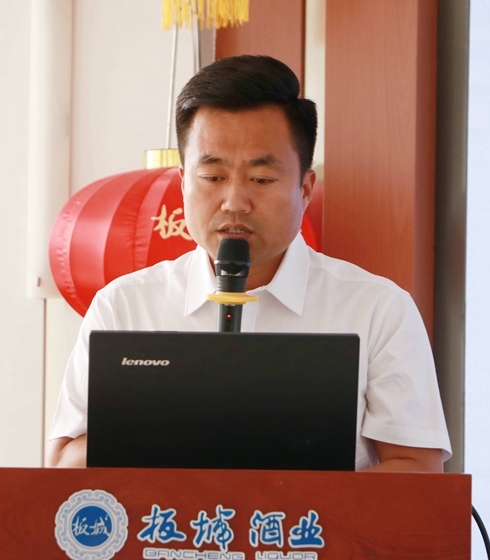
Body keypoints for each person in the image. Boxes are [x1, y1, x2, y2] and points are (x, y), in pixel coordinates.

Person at [47, 55, 451, 471]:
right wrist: (178, 426)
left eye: (261, 179)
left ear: (305, 188)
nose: (235, 202)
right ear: (183, 182)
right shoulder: (124, 306)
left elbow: (417, 471)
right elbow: (64, 465)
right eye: (213, 177)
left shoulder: (377, 308)